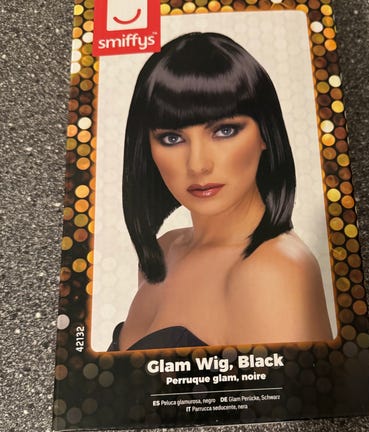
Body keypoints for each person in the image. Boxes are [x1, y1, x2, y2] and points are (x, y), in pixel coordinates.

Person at [108, 32, 334, 351]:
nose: (198, 165)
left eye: (224, 130)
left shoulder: (275, 271)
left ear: (265, 133)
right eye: (172, 138)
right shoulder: (163, 250)